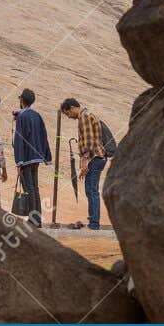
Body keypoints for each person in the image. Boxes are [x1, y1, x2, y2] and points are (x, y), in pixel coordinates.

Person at [61, 97, 110, 230]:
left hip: (94, 158)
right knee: (91, 190)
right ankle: (93, 221)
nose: (69, 117)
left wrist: (85, 161)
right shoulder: (87, 115)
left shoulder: (84, 117)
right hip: (98, 158)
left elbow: (88, 141)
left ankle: (94, 223)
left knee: (92, 191)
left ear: (72, 108)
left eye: (68, 114)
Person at [11, 88, 52, 227]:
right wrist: (46, 155)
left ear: (21, 100)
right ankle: (37, 218)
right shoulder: (37, 115)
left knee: (29, 188)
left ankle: (33, 219)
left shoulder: (22, 117)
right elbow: (43, 135)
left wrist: (19, 161)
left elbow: (19, 139)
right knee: (34, 187)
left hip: (26, 158)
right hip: (36, 158)